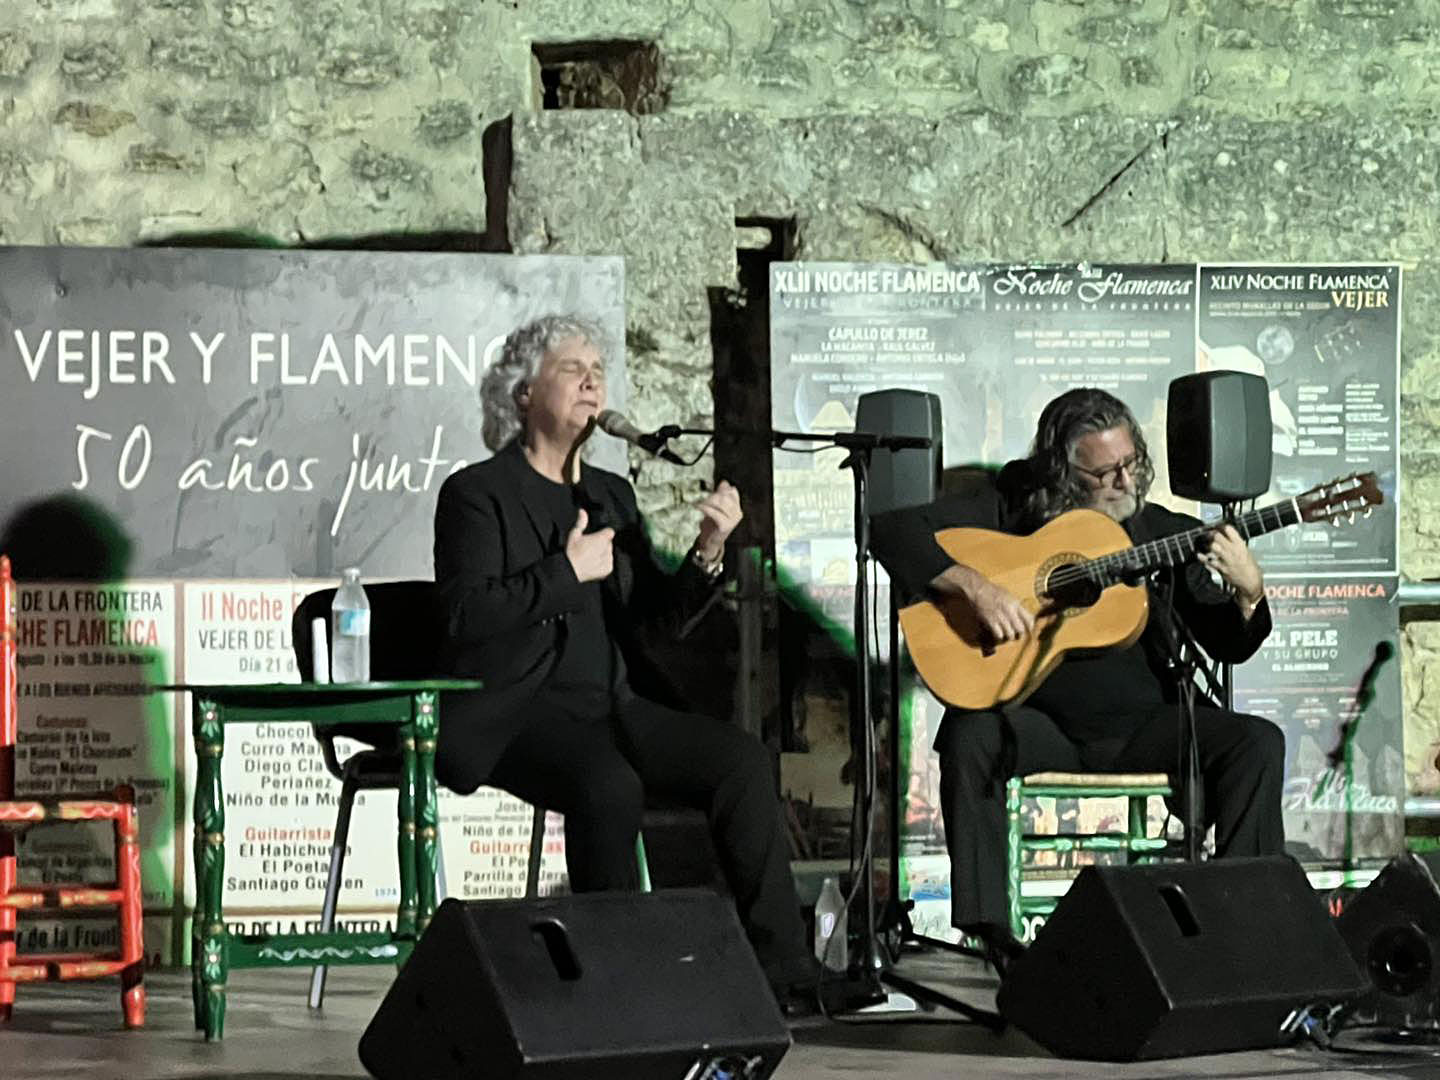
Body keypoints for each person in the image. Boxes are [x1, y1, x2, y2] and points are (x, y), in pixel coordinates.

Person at [432, 314, 819, 1009]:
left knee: (739, 759)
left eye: (598, 371)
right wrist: (563, 571)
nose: (591, 380)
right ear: (522, 395)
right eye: (570, 369)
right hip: (520, 715)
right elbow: (465, 618)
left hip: (615, 705)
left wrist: (705, 552)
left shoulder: (610, 495)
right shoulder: (476, 494)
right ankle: (613, 989)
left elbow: (652, 626)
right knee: (607, 783)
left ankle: (783, 972)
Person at [870, 387, 1285, 968]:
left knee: (1257, 742)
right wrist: (976, 586)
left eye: (1131, 464)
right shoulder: (1010, 511)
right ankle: (991, 934)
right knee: (969, 736)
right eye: (1104, 473)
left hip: (1143, 727)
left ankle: (1244, 919)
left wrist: (1248, 592)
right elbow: (891, 530)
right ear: (1064, 474)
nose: (1124, 482)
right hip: (1043, 726)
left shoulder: (1159, 532)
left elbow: (1229, 645)